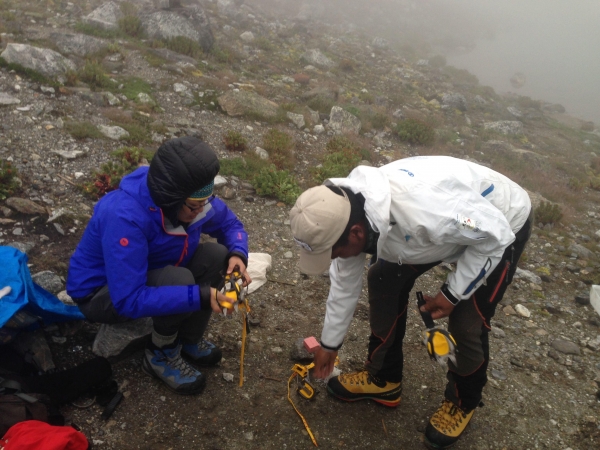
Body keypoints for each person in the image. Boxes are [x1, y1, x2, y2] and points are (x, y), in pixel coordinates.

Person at [289, 155, 532, 449]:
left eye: (332, 253)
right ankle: (384, 380)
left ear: (356, 234)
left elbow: (493, 235)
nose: (333, 260)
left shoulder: (432, 212)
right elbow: (343, 285)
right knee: (383, 278)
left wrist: (453, 293)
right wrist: (329, 345)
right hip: (440, 232)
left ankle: (463, 401)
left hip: (498, 224)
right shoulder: (345, 214)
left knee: (467, 322)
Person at [67, 137, 251, 395]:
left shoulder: (191, 198)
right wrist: (198, 295)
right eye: (194, 207)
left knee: (217, 255)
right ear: (170, 199)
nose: (200, 211)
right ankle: (160, 354)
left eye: (204, 203)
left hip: (154, 271)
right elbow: (128, 299)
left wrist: (238, 255)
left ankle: (187, 340)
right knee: (180, 281)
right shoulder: (125, 215)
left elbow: (231, 225)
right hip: (102, 293)